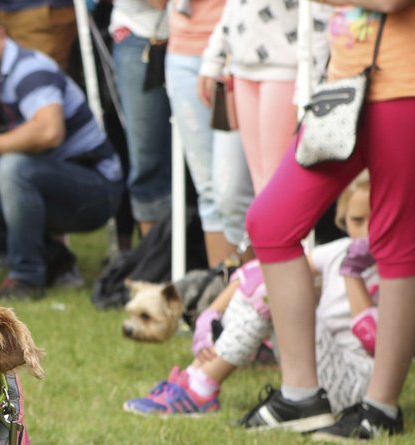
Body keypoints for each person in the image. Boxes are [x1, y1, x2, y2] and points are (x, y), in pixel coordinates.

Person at [241, 1, 415, 441]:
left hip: (404, 84)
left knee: (395, 242)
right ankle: (300, 397)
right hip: (344, 86)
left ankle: (381, 408)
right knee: (270, 222)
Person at [124, 173, 375, 417]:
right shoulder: (339, 250)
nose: (367, 231)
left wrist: (352, 273)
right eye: (357, 220)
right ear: (342, 219)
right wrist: (212, 313)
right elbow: (257, 272)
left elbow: (374, 342)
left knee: (269, 293)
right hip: (316, 367)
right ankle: (194, 378)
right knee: (268, 281)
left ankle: (201, 389)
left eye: (376, 219)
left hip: (358, 386)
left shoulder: (396, 269)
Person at [0, 0, 122, 301]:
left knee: (13, 167)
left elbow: (49, 130)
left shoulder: (30, 68)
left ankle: (25, 278)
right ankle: (56, 259)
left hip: (96, 189)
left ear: (0, 35)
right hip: (42, 184)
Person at [198, 0, 330, 195]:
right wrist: (213, 59)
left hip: (285, 72)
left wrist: (308, 87)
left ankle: (275, 225)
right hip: (243, 70)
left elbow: (319, 17)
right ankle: (265, 226)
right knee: (259, 180)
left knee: (276, 180)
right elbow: (233, 8)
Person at [165, 0, 253, 267]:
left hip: (241, 52)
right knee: (210, 192)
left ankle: (252, 295)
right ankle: (222, 296)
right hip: (182, 52)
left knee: (235, 192)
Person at [110, 0, 173, 236]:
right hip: (139, 36)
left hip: (200, 39)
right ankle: (155, 261)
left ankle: (194, 253)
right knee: (147, 159)